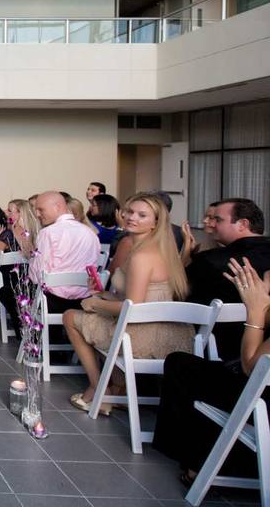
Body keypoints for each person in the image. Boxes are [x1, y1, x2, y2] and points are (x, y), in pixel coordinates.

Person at [63, 193, 194, 415]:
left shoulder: (142, 256)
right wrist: (103, 294)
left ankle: (98, 388)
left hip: (142, 335)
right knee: (102, 318)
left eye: (142, 215)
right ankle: (117, 390)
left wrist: (94, 303)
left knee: (69, 316)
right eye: (130, 212)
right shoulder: (162, 250)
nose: (132, 218)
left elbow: (132, 308)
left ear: (155, 223)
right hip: (169, 331)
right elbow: (141, 298)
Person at [153, 256, 270, 487]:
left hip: (261, 400)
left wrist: (255, 311)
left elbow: (252, 368)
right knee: (192, 367)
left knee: (182, 368)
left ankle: (198, 459)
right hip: (258, 390)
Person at [185, 198, 270, 360]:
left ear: (243, 224)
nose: (211, 224)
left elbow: (178, 292)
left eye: (218, 220)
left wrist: (186, 256)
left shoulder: (209, 261)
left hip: (218, 350)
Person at [28, 191, 101, 313]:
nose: (37, 214)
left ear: (57, 207)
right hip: (84, 299)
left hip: (53, 301)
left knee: (12, 290)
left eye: (41, 210)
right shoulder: (90, 232)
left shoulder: (48, 232)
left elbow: (38, 274)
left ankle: (38, 332)